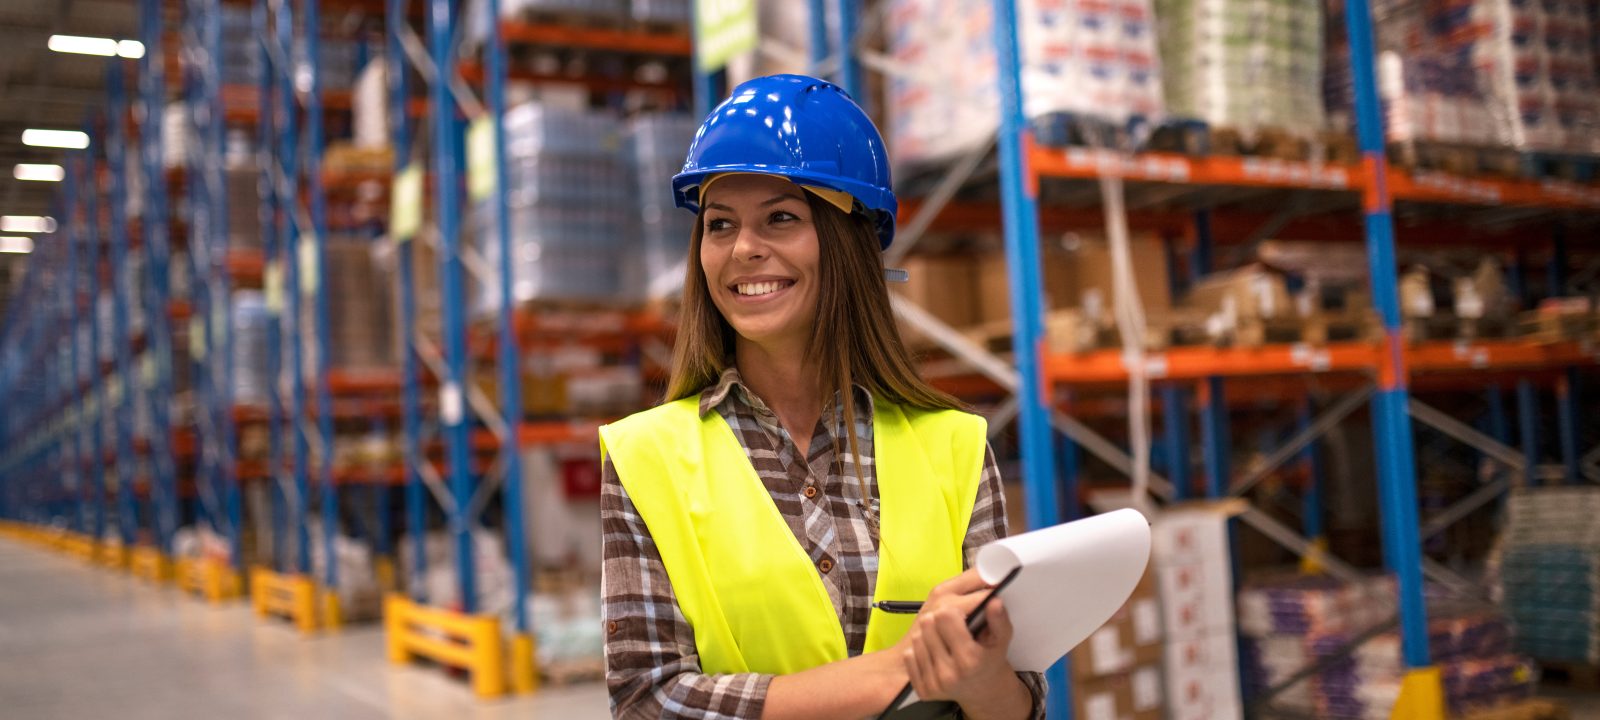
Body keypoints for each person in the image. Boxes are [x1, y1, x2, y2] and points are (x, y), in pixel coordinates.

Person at [599, 74, 1045, 720]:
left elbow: (1020, 703)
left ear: (848, 244)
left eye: (780, 218)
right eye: (720, 225)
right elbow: (649, 701)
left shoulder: (953, 446)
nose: (744, 249)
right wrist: (900, 671)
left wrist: (979, 682)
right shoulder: (644, 458)